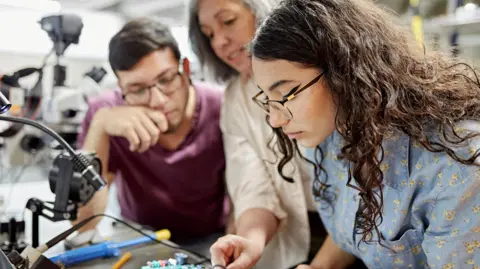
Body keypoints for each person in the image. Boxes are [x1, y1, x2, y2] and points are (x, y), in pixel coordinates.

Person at [234, 0, 478, 268]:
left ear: (344, 69)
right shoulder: (333, 132)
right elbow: (357, 230)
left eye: (287, 94)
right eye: (267, 99)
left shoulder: (456, 167)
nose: (275, 119)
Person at [188, 0, 326, 268]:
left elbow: (364, 192)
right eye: (209, 34)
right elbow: (253, 184)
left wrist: (326, 264)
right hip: (298, 238)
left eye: (228, 21)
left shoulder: (324, 76)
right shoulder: (236, 98)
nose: (219, 42)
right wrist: (251, 241)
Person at [76, 17, 230, 252]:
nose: (158, 101)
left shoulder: (222, 106)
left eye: (166, 80)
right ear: (121, 87)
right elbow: (83, 222)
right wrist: (99, 127)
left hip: (212, 239)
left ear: (185, 69)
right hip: (138, 237)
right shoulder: (106, 113)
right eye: (137, 90)